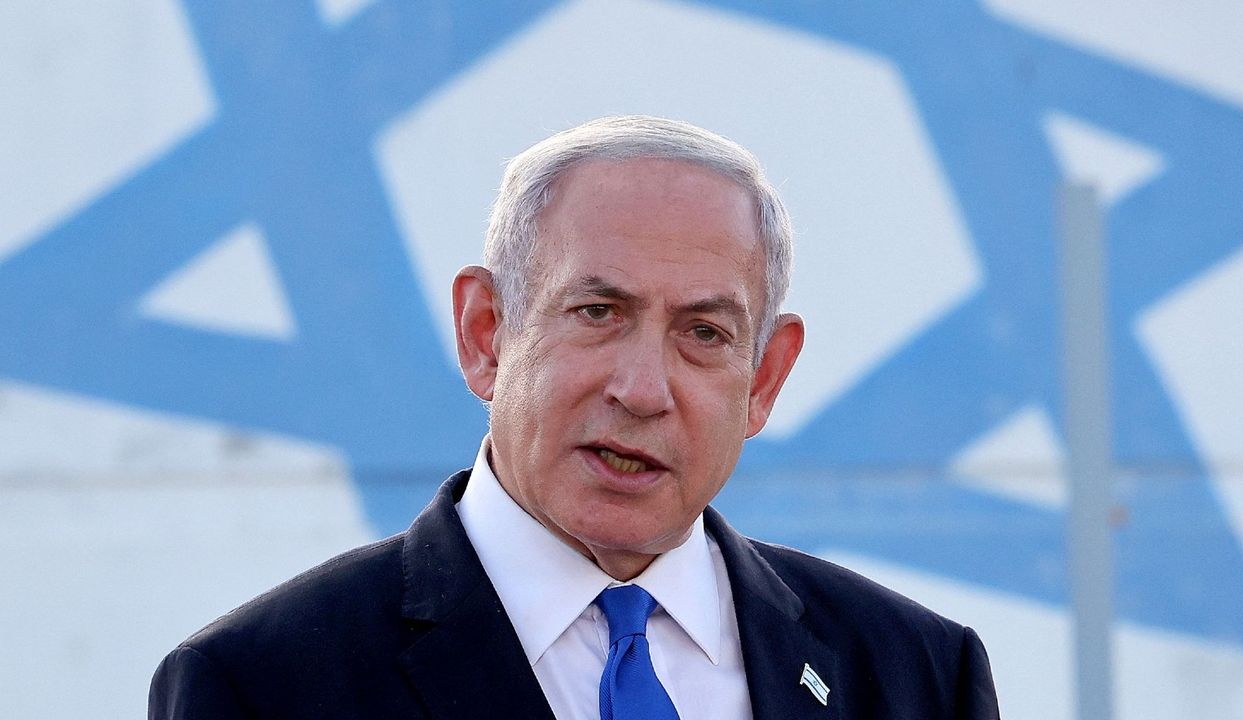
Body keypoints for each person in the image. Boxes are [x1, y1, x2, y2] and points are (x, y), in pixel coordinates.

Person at [149, 115, 999, 719]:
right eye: (598, 312)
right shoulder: (264, 685)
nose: (641, 388)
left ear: (765, 378)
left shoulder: (915, 675)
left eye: (703, 333)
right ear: (487, 334)